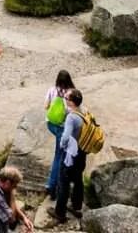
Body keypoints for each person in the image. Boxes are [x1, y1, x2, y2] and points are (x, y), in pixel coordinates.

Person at [53, 89, 87, 224]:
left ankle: (60, 212)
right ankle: (77, 206)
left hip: (70, 154)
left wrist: (61, 144)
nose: (64, 99)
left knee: (63, 182)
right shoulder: (84, 110)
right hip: (82, 152)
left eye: (66, 98)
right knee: (78, 179)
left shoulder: (71, 118)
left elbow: (66, 136)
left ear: (71, 102)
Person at [44, 71, 75, 197]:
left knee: (60, 154)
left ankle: (54, 184)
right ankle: (51, 186)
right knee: (59, 156)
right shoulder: (71, 93)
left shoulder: (51, 90)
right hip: (63, 127)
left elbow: (45, 106)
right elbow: (73, 110)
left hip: (51, 124)